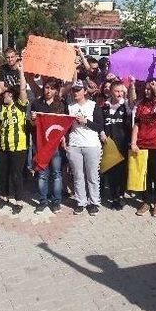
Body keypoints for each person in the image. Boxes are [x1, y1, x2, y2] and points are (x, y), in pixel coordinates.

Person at [131, 80, 156, 217]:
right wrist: (133, 142)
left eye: (150, 89)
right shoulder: (141, 104)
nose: (147, 91)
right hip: (142, 144)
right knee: (144, 174)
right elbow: (137, 124)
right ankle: (146, 201)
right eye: (146, 89)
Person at [66, 80, 104, 216]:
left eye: (78, 90)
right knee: (78, 176)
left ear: (85, 92)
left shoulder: (94, 106)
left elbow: (100, 126)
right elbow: (65, 127)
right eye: (73, 90)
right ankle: (80, 202)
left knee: (92, 176)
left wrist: (86, 121)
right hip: (75, 145)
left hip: (91, 145)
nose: (75, 92)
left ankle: (94, 202)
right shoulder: (69, 106)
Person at [0, 63, 28, 214]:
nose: (4, 95)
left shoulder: (20, 106)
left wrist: (21, 71)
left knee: (16, 174)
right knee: (3, 173)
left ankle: (19, 200)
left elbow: (22, 89)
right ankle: (4, 198)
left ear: (12, 96)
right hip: (3, 146)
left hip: (18, 146)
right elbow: (0, 129)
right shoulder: (1, 109)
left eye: (6, 94)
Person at [30, 79, 68, 214]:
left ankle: (56, 202)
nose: (48, 91)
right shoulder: (36, 103)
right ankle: (42, 201)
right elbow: (33, 125)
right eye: (47, 87)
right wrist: (33, 119)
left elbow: (64, 125)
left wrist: (64, 139)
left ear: (56, 90)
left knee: (57, 174)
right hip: (41, 145)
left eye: (52, 88)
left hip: (56, 146)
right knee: (42, 174)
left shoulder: (61, 104)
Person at [101, 80, 132, 210]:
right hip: (109, 145)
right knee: (111, 172)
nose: (119, 94)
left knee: (122, 172)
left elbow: (131, 123)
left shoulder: (126, 107)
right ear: (111, 91)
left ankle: (121, 196)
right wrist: (101, 133)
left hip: (123, 145)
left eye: (121, 91)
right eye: (116, 91)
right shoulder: (104, 106)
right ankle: (114, 197)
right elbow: (100, 122)